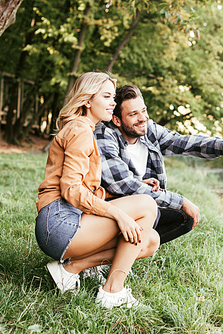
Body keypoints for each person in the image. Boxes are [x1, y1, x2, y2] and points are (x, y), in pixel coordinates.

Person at [35, 72, 160, 309]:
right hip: (59, 225)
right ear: (87, 100)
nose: (113, 103)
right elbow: (71, 189)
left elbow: (84, 188)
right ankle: (112, 292)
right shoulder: (81, 130)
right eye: (107, 96)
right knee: (146, 204)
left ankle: (72, 268)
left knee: (150, 240)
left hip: (63, 222)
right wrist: (118, 214)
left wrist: (131, 191)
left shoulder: (84, 129)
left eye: (113, 97)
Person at [94, 84, 223, 244]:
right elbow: (123, 185)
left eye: (143, 111)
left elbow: (184, 142)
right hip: (109, 210)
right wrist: (181, 200)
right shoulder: (105, 134)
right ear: (117, 120)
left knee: (184, 217)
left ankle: (130, 248)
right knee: (177, 208)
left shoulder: (148, 131)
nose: (142, 118)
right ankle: (97, 252)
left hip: (141, 207)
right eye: (133, 114)